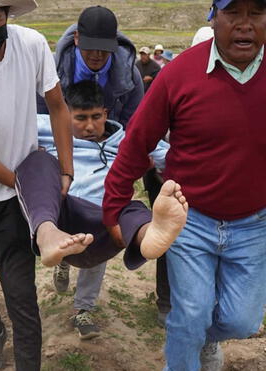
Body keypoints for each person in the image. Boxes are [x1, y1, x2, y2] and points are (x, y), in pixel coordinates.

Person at [102, 1, 266, 369]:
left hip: (255, 223)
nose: (245, 25)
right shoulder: (178, 73)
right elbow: (138, 141)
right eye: (233, 13)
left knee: (243, 321)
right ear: (213, 16)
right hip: (188, 219)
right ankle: (187, 349)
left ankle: (203, 339)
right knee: (189, 315)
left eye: (256, 13)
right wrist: (113, 206)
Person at [0, 1, 85, 368]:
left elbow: (58, 107)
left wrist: (65, 170)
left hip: (17, 195)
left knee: (22, 295)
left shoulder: (30, 44)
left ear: (8, 12)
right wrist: (30, 186)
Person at [33, 80, 185, 339]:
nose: (89, 126)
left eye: (95, 117)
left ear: (106, 114)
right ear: (66, 113)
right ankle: (61, 258)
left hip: (105, 217)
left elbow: (170, 156)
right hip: (65, 212)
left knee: (127, 212)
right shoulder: (47, 129)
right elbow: (7, 129)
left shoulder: (126, 139)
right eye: (80, 118)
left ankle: (147, 236)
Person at [36, 5, 143, 128]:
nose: (97, 54)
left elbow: (131, 127)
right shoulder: (49, 69)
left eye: (104, 48)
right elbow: (41, 122)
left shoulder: (130, 77)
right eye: (90, 46)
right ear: (77, 38)